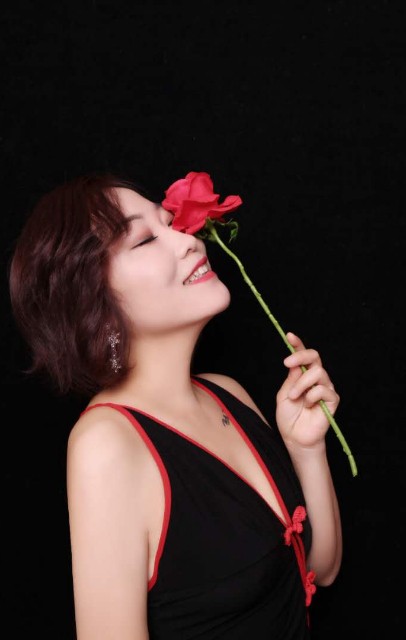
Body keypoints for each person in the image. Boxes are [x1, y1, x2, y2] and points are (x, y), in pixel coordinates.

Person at [8, 172, 343, 639]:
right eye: (145, 240)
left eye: (169, 223)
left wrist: (306, 449)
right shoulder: (107, 445)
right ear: (93, 307)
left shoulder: (228, 392)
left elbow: (319, 570)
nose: (189, 241)